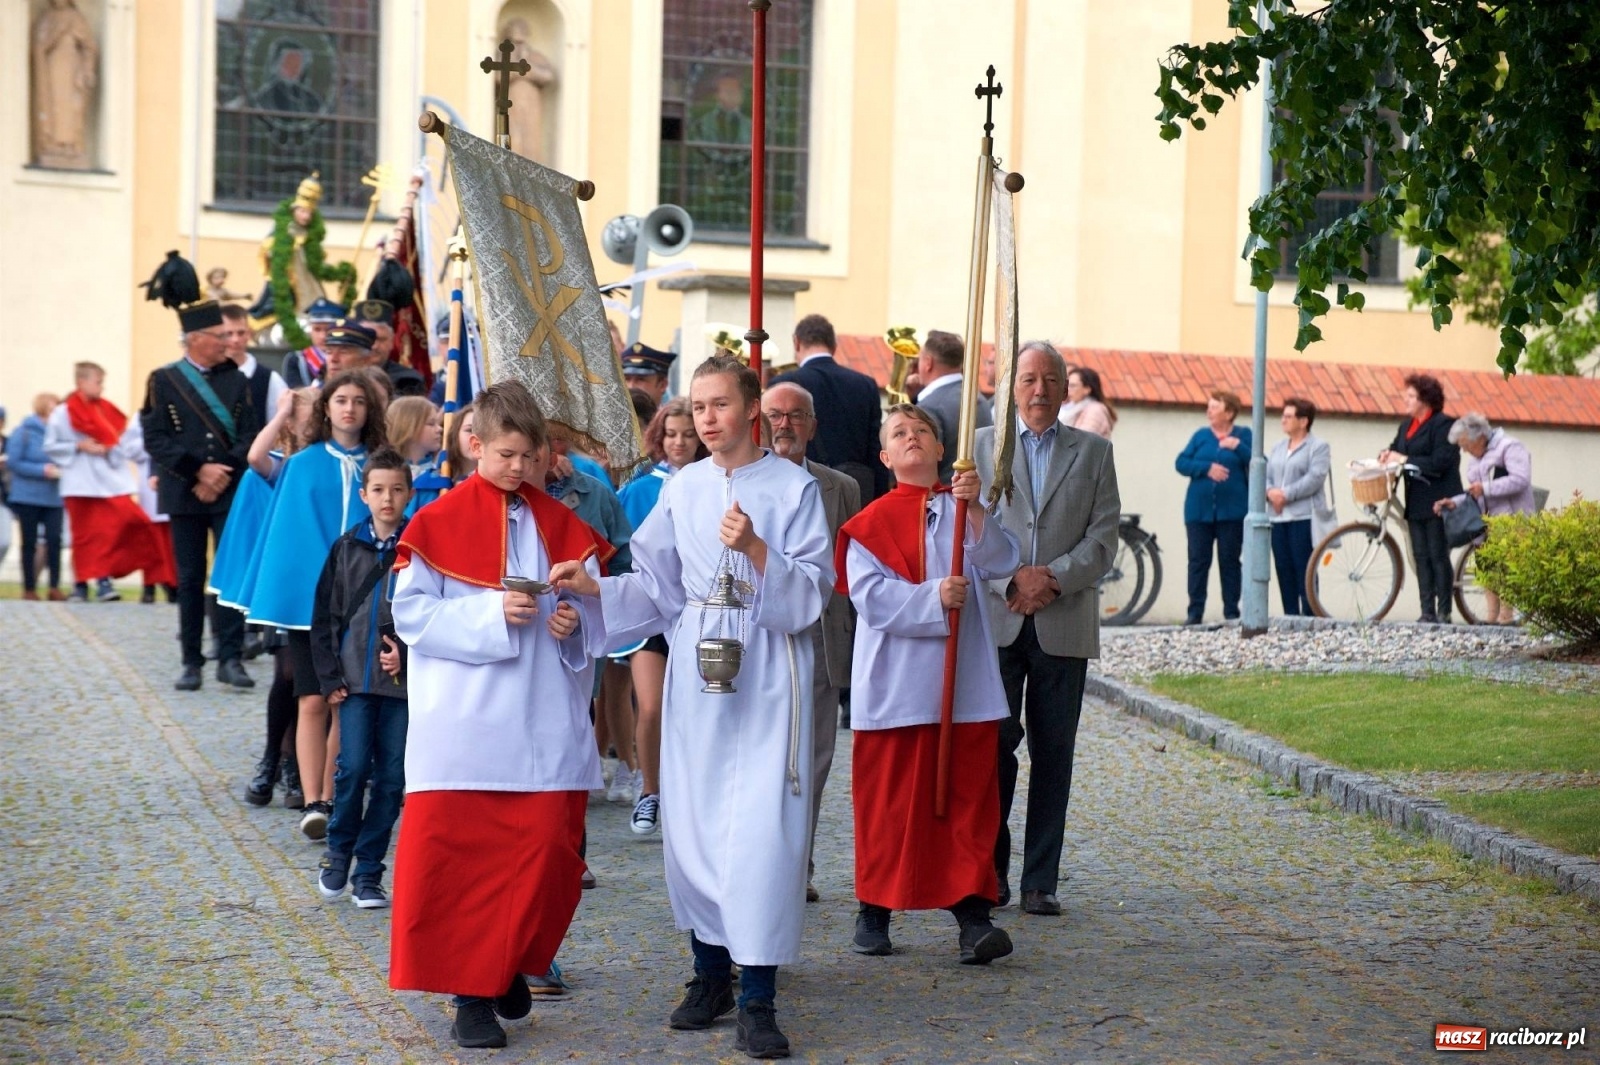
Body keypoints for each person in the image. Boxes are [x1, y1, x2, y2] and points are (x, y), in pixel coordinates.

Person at [552, 355, 832, 1060]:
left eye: (720, 404)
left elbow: (814, 592)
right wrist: (594, 590)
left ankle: (760, 995)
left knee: (763, 833)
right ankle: (710, 973)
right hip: (699, 663)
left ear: (752, 407)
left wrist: (759, 548)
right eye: (698, 406)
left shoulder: (793, 488)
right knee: (698, 822)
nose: (707, 418)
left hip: (768, 671)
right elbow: (655, 587)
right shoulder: (681, 488)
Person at [389, 381, 613, 1051]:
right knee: (464, 866)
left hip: (543, 719)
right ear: (475, 444)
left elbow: (592, 621)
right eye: (507, 453)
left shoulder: (562, 524)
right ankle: (472, 996)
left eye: (530, 455)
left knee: (549, 854)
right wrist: (490, 613)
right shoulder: (435, 522)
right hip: (466, 726)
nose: (519, 467)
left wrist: (573, 623)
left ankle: (509, 959)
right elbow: (413, 614)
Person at [840, 403, 1018, 962]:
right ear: (885, 456)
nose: (912, 438)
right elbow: (868, 597)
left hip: (963, 684)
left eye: (922, 431)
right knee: (891, 805)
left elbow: (1001, 559)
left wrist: (978, 510)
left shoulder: (963, 508)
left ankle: (972, 916)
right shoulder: (866, 525)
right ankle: (875, 909)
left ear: (943, 450)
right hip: (896, 686)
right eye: (899, 433)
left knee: (966, 803)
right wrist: (931, 598)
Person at [975, 340, 1119, 915]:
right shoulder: (983, 447)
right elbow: (965, 531)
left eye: (1050, 380)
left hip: (1064, 621)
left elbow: (1103, 537)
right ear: (1011, 387)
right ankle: (991, 874)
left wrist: (1052, 579)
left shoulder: (1094, 452)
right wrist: (1009, 581)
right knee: (993, 749)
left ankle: (1040, 881)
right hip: (998, 620)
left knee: (1054, 752)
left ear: (1066, 388)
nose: (1039, 390)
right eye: (1028, 379)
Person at [238, 368, 386, 838]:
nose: (349, 409)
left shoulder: (381, 466)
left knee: (347, 701)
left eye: (359, 401)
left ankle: (334, 795)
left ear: (369, 409)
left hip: (362, 601)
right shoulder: (302, 464)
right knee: (310, 700)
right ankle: (312, 799)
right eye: (341, 400)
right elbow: (290, 535)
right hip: (311, 605)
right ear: (327, 408)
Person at [762, 381, 860, 903]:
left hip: (821, 636)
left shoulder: (840, 488)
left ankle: (799, 860)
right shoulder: (743, 482)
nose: (786, 425)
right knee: (764, 752)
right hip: (759, 639)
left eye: (797, 416)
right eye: (775, 415)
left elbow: (849, 573)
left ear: (813, 426)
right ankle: (765, 860)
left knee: (816, 756)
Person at [139, 285, 264, 691]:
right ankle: (191, 661)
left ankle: (230, 658)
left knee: (228, 574)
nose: (228, 342)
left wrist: (221, 471)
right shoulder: (163, 380)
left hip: (228, 490)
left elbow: (251, 433)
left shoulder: (238, 381)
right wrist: (198, 471)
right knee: (190, 577)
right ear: (196, 340)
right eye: (220, 336)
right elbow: (155, 437)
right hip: (183, 490)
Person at [310, 447, 413, 910]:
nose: (387, 498)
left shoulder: (421, 549)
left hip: (400, 687)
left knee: (392, 779)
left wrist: (407, 658)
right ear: (364, 493)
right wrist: (330, 675)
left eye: (396, 489)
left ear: (410, 493)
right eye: (378, 490)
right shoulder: (346, 547)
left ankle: (369, 871)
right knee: (352, 770)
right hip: (352, 682)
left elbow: (433, 615)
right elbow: (324, 617)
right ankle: (338, 853)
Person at [615, 397, 705, 836]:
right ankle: (649, 790)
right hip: (653, 610)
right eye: (672, 434)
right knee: (649, 705)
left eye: (688, 434)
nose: (680, 442)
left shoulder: (715, 481)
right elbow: (623, 546)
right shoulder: (640, 487)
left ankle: (689, 795)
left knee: (696, 708)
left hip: (698, 612)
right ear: (659, 436)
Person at [47, 361, 173, 605]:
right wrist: (78, 446)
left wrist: (107, 449)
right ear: (82, 382)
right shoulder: (63, 413)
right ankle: (83, 583)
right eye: (98, 382)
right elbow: (51, 446)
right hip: (80, 482)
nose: (101, 388)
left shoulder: (106, 410)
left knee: (125, 525)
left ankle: (109, 576)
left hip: (109, 481)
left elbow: (121, 443)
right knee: (84, 536)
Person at [771, 314, 888, 502]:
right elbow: (877, 450)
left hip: (800, 490)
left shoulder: (783, 383)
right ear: (834, 345)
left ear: (797, 343)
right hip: (857, 492)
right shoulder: (865, 384)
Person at [1435, 413, 1535, 625]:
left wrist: (1486, 488)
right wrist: (1454, 502)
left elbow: (1520, 479)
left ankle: (1506, 618)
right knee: (1488, 567)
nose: (1463, 450)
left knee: (1508, 567)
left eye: (1465, 444)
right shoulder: (1475, 458)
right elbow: (1475, 493)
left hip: (1511, 518)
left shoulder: (1509, 447)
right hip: (1484, 522)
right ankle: (1491, 618)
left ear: (1478, 437)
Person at [1379, 373, 1462, 624]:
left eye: (1412, 396)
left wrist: (1403, 460)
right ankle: (1427, 610)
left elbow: (1441, 460)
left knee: (1438, 555)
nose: (1406, 400)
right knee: (1420, 555)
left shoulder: (1443, 425)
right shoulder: (1407, 426)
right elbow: (1396, 449)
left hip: (1439, 499)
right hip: (1415, 498)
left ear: (1426, 399)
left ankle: (1444, 610)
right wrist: (1386, 454)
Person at [1175, 388, 1252, 624]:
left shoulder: (1243, 434)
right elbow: (1181, 462)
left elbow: (1258, 460)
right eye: (1209, 406)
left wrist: (1237, 446)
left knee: (1229, 561)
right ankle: (1194, 612)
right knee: (1198, 561)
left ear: (1229, 413)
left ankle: (1231, 612)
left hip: (1232, 512)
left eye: (1215, 407)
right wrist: (1206, 468)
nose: (1209, 410)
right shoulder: (1201, 436)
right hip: (1199, 512)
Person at [1265, 398, 1332, 616]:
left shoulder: (1318, 447)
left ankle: (1311, 615)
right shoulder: (1277, 447)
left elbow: (1315, 477)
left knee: (1305, 568)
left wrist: (1285, 495)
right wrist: (1269, 493)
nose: (1283, 420)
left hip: (1303, 516)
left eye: (1288, 416)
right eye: (1282, 416)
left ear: (1303, 421)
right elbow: (1265, 475)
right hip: (1277, 517)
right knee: (1284, 569)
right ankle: (1291, 615)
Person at [6, 394, 67, 601]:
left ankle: (54, 586)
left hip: (53, 496)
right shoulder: (23, 432)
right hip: (28, 496)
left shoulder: (60, 434)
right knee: (29, 541)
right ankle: (29, 587)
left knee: (54, 540)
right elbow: (14, 462)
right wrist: (42, 470)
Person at [914, 329, 993, 486]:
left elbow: (923, 464)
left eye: (919, 360)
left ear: (928, 363)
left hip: (943, 499)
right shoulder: (979, 398)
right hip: (979, 496)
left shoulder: (931, 405)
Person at [385, 396, 445, 513]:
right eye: (431, 424)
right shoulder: (385, 471)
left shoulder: (442, 471)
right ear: (409, 427)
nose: (439, 429)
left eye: (438, 423)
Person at [282, 298, 345, 388]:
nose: (322, 336)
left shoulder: (349, 358)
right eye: (317, 329)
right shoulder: (298, 360)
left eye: (328, 329)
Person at [1057, 366, 1116, 439]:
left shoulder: (1095, 411)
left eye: (1073, 386)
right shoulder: (1071, 408)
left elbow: (1083, 442)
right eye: (1067, 386)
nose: (1068, 390)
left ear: (1087, 389)